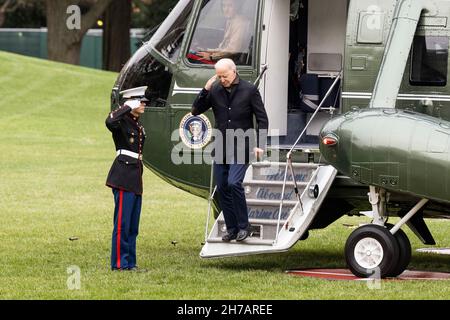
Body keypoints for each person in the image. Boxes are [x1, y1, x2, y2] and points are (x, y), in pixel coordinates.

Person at [192, 58, 269, 242]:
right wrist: (205, 90)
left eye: (224, 76)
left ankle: (244, 226)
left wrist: (261, 144)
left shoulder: (249, 90)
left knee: (234, 183)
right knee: (222, 188)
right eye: (218, 76)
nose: (221, 79)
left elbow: (262, 119)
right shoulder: (216, 89)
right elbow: (195, 111)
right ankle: (232, 228)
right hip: (220, 147)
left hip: (243, 146)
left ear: (233, 72)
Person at [105, 98, 147, 271]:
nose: (144, 105)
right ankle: (120, 264)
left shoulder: (137, 125)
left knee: (132, 225)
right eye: (141, 102)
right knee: (122, 224)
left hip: (135, 176)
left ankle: (130, 263)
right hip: (123, 176)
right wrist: (126, 107)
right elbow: (109, 121)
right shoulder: (121, 122)